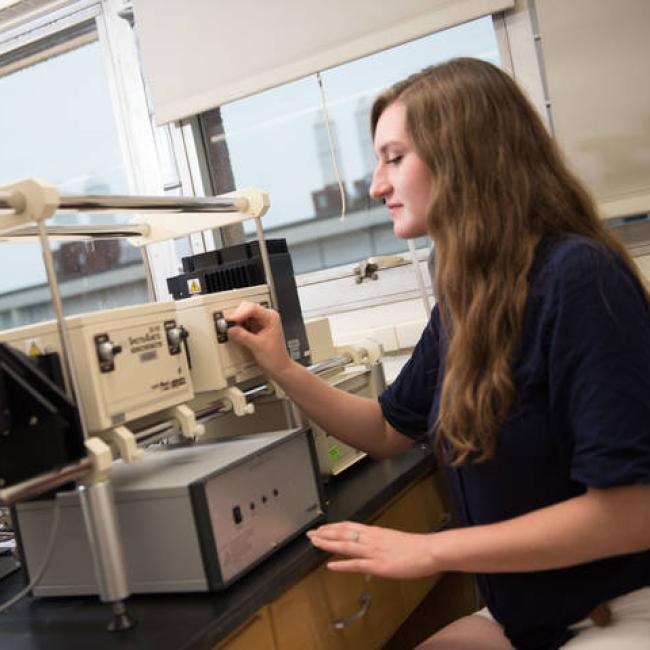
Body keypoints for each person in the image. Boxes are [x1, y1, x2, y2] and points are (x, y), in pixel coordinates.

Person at [228, 58, 650, 650]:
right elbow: (384, 429)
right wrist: (281, 366)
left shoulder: (577, 277)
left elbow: (631, 513)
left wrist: (428, 551)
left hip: (623, 613)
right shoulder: (471, 294)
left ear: (467, 158)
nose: (376, 186)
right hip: (528, 617)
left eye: (394, 158)